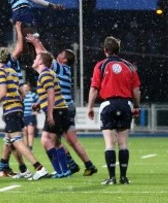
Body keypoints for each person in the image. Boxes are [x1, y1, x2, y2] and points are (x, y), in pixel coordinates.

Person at [27, 34, 98, 176]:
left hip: (61, 107)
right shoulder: (64, 71)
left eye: (61, 54)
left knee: (50, 139)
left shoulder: (60, 68)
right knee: (71, 140)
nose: (58, 55)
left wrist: (36, 43)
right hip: (67, 106)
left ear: (64, 59)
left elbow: (45, 57)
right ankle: (87, 165)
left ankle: (65, 169)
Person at [0, 47, 49, 181]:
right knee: (8, 140)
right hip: (18, 108)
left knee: (16, 141)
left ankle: (39, 168)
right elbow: (22, 91)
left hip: (11, 109)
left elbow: (2, 93)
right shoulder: (12, 71)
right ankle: (17, 169)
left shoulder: (0, 72)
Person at [87, 36, 141, 185]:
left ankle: (111, 178)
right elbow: (136, 90)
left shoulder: (101, 65)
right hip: (125, 105)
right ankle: (123, 177)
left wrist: (90, 107)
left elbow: (94, 88)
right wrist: (136, 106)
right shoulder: (129, 66)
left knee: (110, 144)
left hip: (108, 105)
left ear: (105, 50)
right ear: (118, 50)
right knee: (123, 143)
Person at [32, 51, 72, 178]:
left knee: (46, 140)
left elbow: (51, 93)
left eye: (36, 58)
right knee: (55, 142)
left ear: (40, 62)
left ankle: (60, 171)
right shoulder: (48, 74)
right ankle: (64, 171)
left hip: (56, 110)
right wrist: (40, 104)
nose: (34, 60)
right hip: (60, 109)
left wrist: (49, 114)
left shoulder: (44, 75)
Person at [22, 83, 39, 152]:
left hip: (30, 116)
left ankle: (30, 147)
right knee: (25, 133)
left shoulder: (33, 95)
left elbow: (40, 102)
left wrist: (36, 110)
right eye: (24, 87)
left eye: (26, 87)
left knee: (30, 132)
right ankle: (26, 148)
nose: (25, 88)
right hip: (23, 116)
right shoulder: (21, 96)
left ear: (29, 88)